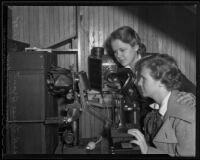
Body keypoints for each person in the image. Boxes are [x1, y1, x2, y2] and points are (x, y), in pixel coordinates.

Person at [104, 26, 196, 130]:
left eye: (122, 50)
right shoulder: (122, 72)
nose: (118, 55)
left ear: (136, 46)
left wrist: (193, 97)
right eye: (115, 52)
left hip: (171, 122)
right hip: (148, 123)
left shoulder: (156, 63)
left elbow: (190, 87)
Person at [128, 54, 195, 156]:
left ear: (162, 82)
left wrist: (147, 151)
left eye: (143, 78)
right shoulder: (156, 108)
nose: (138, 82)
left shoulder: (186, 116)